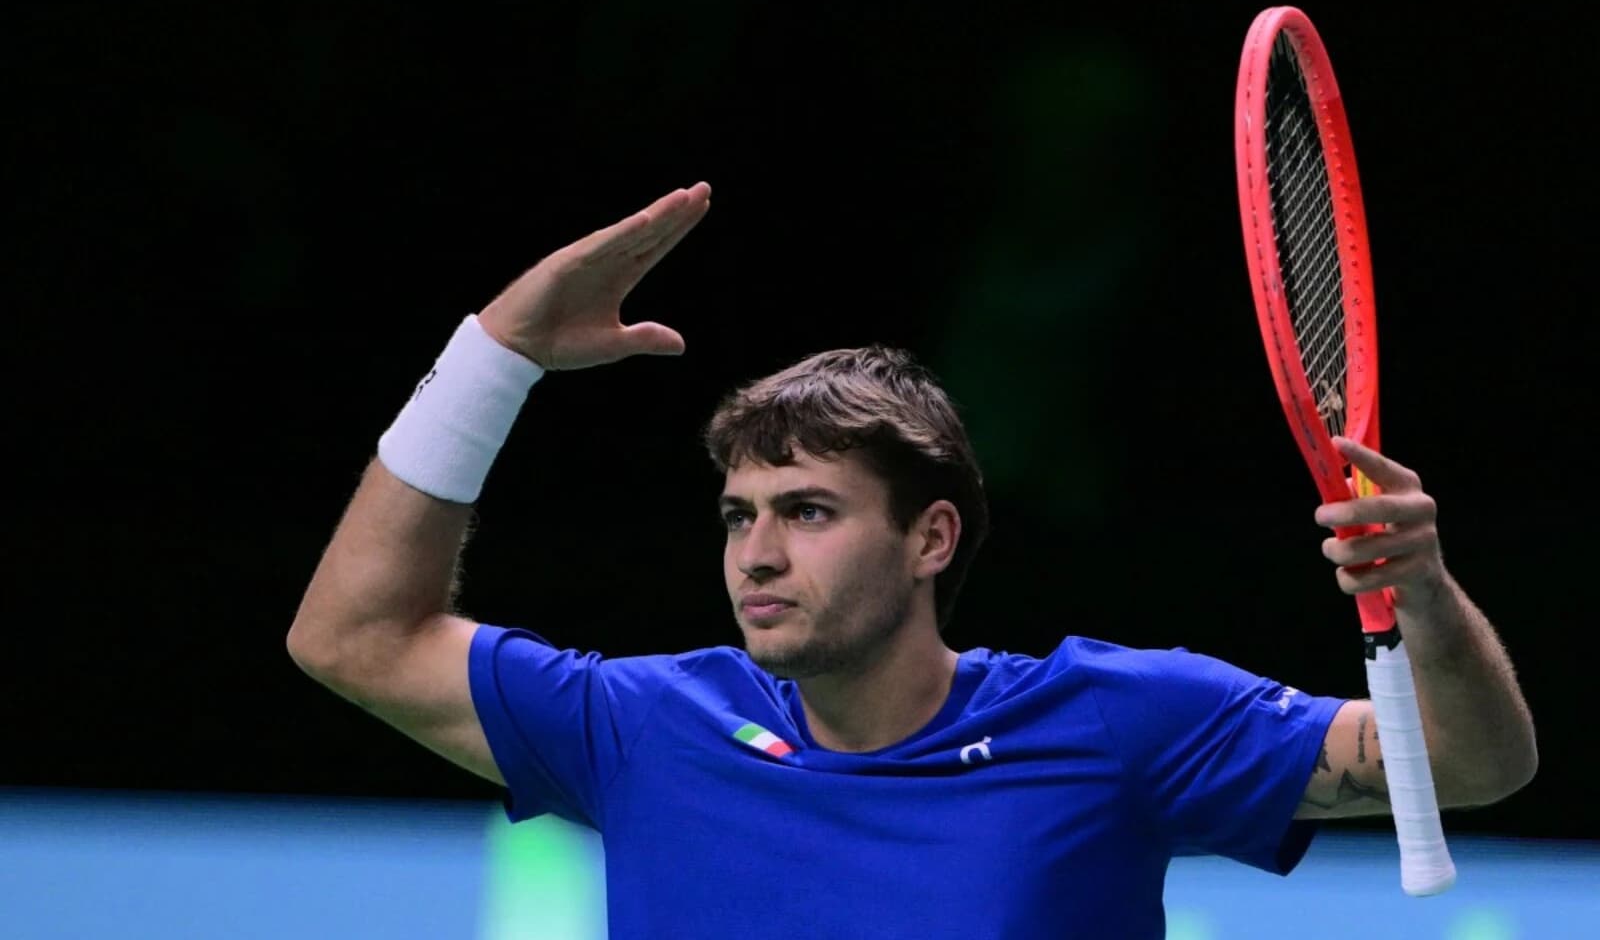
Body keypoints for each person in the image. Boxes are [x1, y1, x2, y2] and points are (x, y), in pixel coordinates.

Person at [288, 183, 1537, 938]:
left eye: (810, 512)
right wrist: (494, 354)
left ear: (930, 536)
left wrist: (1418, 593)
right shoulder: (647, 728)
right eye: (738, 515)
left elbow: (1473, 764)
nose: (758, 554)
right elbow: (351, 637)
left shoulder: (1114, 722)